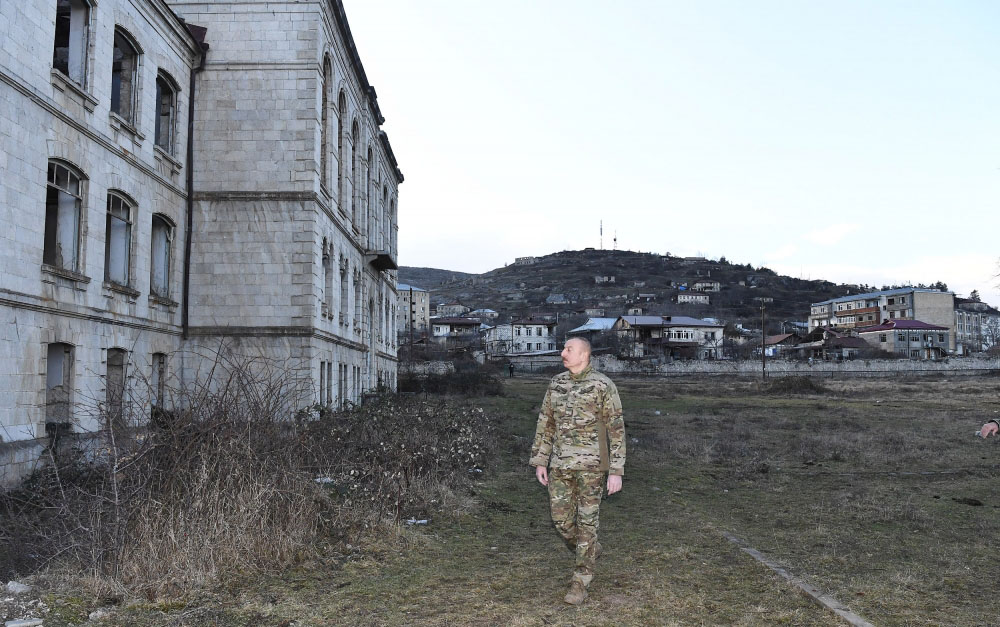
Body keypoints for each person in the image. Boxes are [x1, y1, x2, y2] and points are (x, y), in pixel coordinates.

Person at [529, 337, 625, 605]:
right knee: (561, 521)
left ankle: (580, 582)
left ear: (584, 354)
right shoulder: (556, 384)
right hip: (559, 465)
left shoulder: (603, 385)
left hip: (592, 467)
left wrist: (616, 470)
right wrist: (540, 460)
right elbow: (545, 423)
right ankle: (590, 547)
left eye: (568, 349)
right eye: (563, 349)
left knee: (587, 523)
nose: (562, 353)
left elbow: (616, 429)